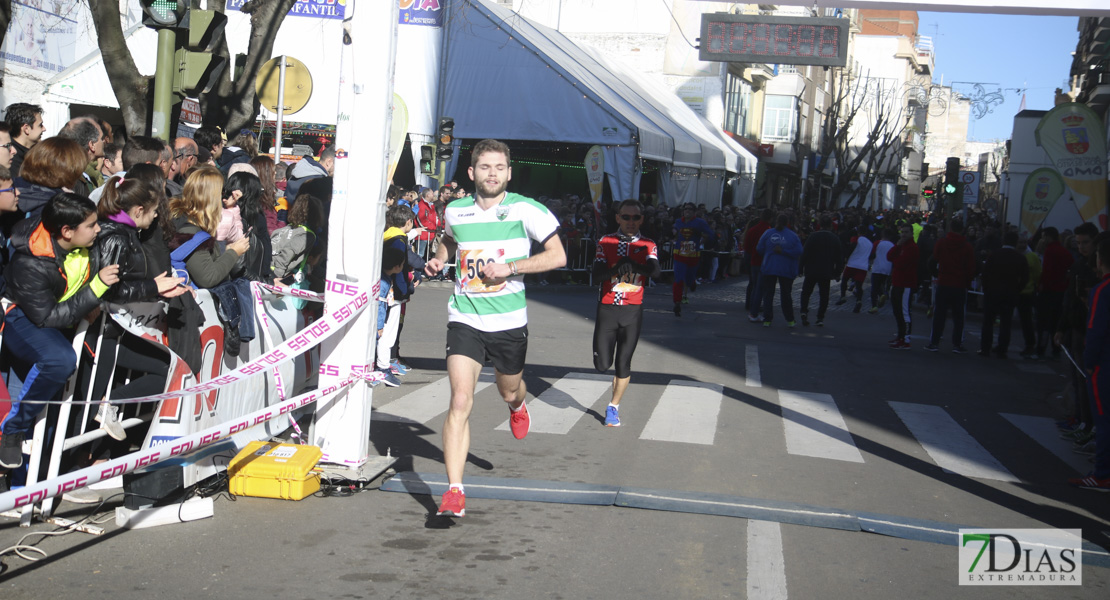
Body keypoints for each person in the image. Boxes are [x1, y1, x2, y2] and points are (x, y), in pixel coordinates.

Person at [422, 139, 565, 518]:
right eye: (485, 167)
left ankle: (518, 405)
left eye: (499, 168)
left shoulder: (525, 209)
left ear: (509, 173)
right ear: (472, 173)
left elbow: (558, 255)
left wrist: (511, 267)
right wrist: (438, 261)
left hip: (508, 321)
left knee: (509, 388)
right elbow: (448, 244)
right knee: (459, 400)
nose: (492, 174)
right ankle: (454, 489)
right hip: (465, 316)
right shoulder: (456, 210)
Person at [0, 193, 120, 469]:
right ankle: (13, 430)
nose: (98, 229)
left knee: (53, 419)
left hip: (60, 323)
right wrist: (94, 291)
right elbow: (48, 317)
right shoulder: (29, 262)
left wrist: (153, 288)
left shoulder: (85, 241)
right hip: (24, 320)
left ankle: (42, 489)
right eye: (91, 225)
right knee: (61, 360)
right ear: (67, 232)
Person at [591, 199, 660, 427]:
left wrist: (635, 266)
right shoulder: (606, 240)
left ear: (642, 219)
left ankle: (613, 407)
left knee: (623, 363)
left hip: (632, 311)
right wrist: (616, 270)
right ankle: (611, 392)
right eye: (626, 217)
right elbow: (596, 275)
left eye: (636, 217)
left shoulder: (648, 244)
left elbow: (656, 272)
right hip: (608, 309)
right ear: (618, 217)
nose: (631, 222)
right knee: (602, 364)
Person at [1069, 238, 1110, 491]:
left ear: (1099, 260)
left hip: (1105, 363)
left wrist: (1089, 362)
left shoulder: (1102, 290)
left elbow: (1095, 330)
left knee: (1104, 420)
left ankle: (1103, 473)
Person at [169, 167, 250, 289]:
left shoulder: (189, 221)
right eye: (222, 192)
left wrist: (228, 250)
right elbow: (208, 278)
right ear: (212, 198)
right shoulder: (189, 232)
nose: (223, 197)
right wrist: (234, 253)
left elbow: (207, 264)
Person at [924, 219, 976, 353]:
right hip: (959, 285)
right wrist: (967, 282)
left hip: (944, 282)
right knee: (959, 317)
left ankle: (934, 342)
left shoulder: (942, 243)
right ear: (962, 229)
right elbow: (971, 268)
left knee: (939, 315)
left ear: (950, 228)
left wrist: (937, 274)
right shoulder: (967, 246)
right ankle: (957, 344)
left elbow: (932, 261)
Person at [978, 231, 1029, 358]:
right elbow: (1025, 278)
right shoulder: (1020, 258)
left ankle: (985, 348)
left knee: (988, 322)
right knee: (1006, 323)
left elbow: (985, 273)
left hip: (992, 292)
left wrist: (986, 288)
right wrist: (1017, 289)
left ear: (1003, 241)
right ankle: (1002, 349)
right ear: (1015, 242)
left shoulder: (994, 255)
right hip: (1010, 293)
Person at [756, 213, 803, 327]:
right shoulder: (792, 236)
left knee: (768, 294)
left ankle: (767, 319)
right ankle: (790, 320)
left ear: (776, 221)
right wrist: (784, 252)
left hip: (769, 267)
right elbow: (799, 251)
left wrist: (769, 253)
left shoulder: (768, 233)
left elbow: (759, 249)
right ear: (787, 223)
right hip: (786, 269)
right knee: (786, 294)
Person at [671, 203, 715, 316]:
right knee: (678, 279)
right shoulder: (678, 221)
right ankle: (677, 302)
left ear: (694, 212)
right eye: (685, 209)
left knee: (689, 279)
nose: (687, 211)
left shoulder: (700, 222)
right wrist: (673, 234)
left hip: (693, 256)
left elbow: (710, 234)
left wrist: (701, 237)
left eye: (690, 209)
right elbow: (674, 231)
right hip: (679, 254)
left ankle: (692, 282)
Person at [798, 214, 842, 327]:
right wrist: (837, 273)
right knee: (824, 295)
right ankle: (820, 317)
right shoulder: (834, 238)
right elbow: (839, 258)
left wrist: (800, 268)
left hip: (811, 269)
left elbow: (805, 253)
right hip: (826, 270)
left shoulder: (812, 236)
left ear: (820, 225)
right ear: (830, 226)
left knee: (806, 292)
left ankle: (803, 311)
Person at [887, 223, 920, 349]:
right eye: (902, 232)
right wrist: (897, 247)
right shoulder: (901, 246)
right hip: (897, 282)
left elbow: (901, 263)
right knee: (897, 311)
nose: (904, 234)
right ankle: (900, 336)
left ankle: (906, 339)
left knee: (904, 312)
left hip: (906, 284)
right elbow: (889, 256)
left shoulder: (912, 247)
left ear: (911, 233)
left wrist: (897, 257)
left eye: (906, 232)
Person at [839, 227, 873, 314]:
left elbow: (852, 246)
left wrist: (847, 256)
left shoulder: (856, 239)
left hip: (852, 264)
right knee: (859, 285)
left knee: (845, 280)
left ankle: (843, 296)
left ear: (858, 232)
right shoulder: (870, 243)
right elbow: (872, 255)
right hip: (863, 266)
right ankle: (859, 301)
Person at [5, 102, 45, 176]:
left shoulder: (38, 154)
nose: (44, 129)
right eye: (40, 125)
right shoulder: (9, 160)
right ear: (26, 128)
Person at [868, 229, 895, 314]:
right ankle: (882, 294)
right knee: (881, 284)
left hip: (877, 267)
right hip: (887, 269)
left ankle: (874, 306)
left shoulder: (877, 243)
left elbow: (871, 253)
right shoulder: (892, 245)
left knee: (874, 287)